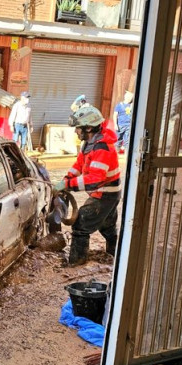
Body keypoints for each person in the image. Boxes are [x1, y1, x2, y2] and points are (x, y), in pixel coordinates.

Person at [53, 106, 121, 266]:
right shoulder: (90, 143)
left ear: (88, 128)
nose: (76, 131)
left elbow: (94, 179)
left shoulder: (102, 148)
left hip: (104, 194)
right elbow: (79, 165)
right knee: (107, 227)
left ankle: (76, 263)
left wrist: (68, 185)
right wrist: (67, 178)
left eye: (78, 128)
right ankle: (115, 255)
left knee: (81, 224)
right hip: (109, 193)